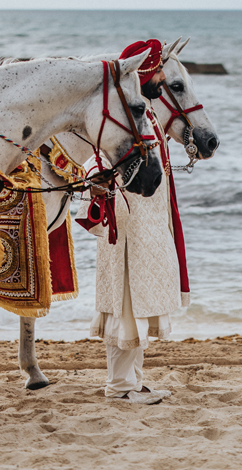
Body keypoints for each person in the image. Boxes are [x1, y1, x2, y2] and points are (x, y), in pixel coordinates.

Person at [77, 39, 189, 405]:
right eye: (158, 71)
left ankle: (135, 382)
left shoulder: (145, 111)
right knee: (125, 306)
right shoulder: (120, 113)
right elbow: (93, 154)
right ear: (146, 71)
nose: (161, 78)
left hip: (149, 221)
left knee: (139, 304)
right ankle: (119, 387)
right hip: (127, 219)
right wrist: (97, 178)